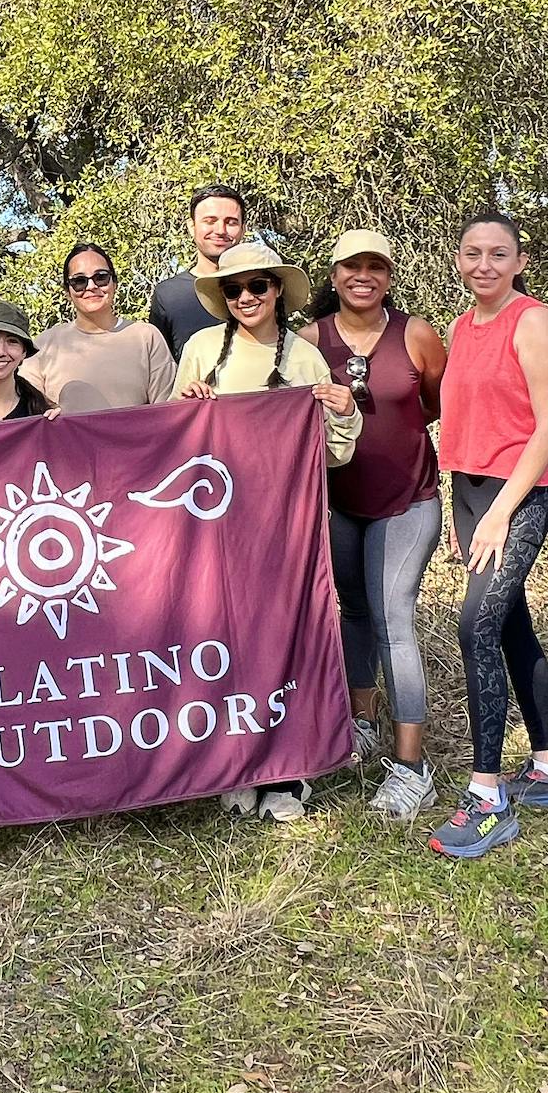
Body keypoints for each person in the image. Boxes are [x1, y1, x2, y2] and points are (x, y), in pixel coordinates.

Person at [172, 240, 360, 822]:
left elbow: (332, 455)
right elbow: (170, 439)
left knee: (288, 638)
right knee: (221, 639)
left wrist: (344, 411)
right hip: (214, 528)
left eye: (258, 286)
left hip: (285, 527)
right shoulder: (203, 349)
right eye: (234, 289)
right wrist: (188, 404)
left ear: (278, 290)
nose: (246, 297)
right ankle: (236, 762)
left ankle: (289, 770)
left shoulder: (304, 359)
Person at [428, 212, 548, 860]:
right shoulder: (463, 326)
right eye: (472, 253)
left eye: (498, 254)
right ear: (458, 260)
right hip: (469, 491)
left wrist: (500, 513)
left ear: (520, 261)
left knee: (476, 627)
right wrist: (466, 505)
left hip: (519, 495)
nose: (484, 264)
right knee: (510, 621)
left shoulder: (533, 320)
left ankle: (487, 796)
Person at [300, 229, 447, 821]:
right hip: (336, 502)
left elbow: (435, 403)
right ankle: (360, 725)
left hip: (408, 498)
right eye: (351, 268)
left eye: (375, 268)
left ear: (389, 274)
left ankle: (413, 768)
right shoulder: (310, 339)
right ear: (332, 275)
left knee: (393, 617)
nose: (363, 277)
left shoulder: (414, 333)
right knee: (353, 611)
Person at [20, 243, 177, 413]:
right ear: (67, 291)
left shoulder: (146, 337)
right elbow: (24, 409)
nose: (91, 287)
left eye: (100, 277)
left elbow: (166, 412)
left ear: (114, 283)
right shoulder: (44, 344)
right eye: (79, 281)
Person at [148, 184, 250, 359]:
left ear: (244, 228)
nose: (220, 230)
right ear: (191, 226)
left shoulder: (262, 290)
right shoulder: (169, 295)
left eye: (231, 222)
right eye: (210, 221)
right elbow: (160, 366)